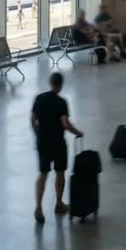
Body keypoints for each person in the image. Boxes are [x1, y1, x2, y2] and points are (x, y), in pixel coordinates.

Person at [31, 72, 82, 223]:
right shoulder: (61, 102)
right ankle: (59, 204)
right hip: (58, 143)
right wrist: (78, 133)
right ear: (60, 85)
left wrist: (38, 134)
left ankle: (38, 207)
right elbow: (66, 124)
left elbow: (33, 120)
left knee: (43, 173)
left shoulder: (39, 98)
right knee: (60, 172)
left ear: (50, 82)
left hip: (43, 142)